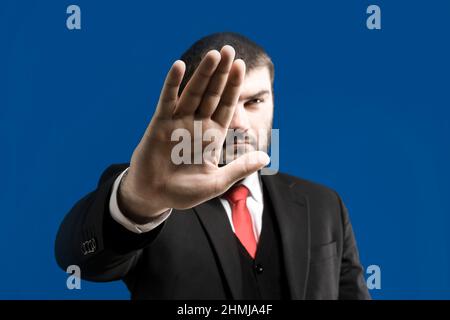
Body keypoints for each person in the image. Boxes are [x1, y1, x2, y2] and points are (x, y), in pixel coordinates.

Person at [55, 32, 370, 300]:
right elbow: (80, 261)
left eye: (255, 101)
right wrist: (139, 200)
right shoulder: (154, 195)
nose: (239, 123)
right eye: (223, 103)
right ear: (186, 103)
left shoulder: (325, 204)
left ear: (273, 99)